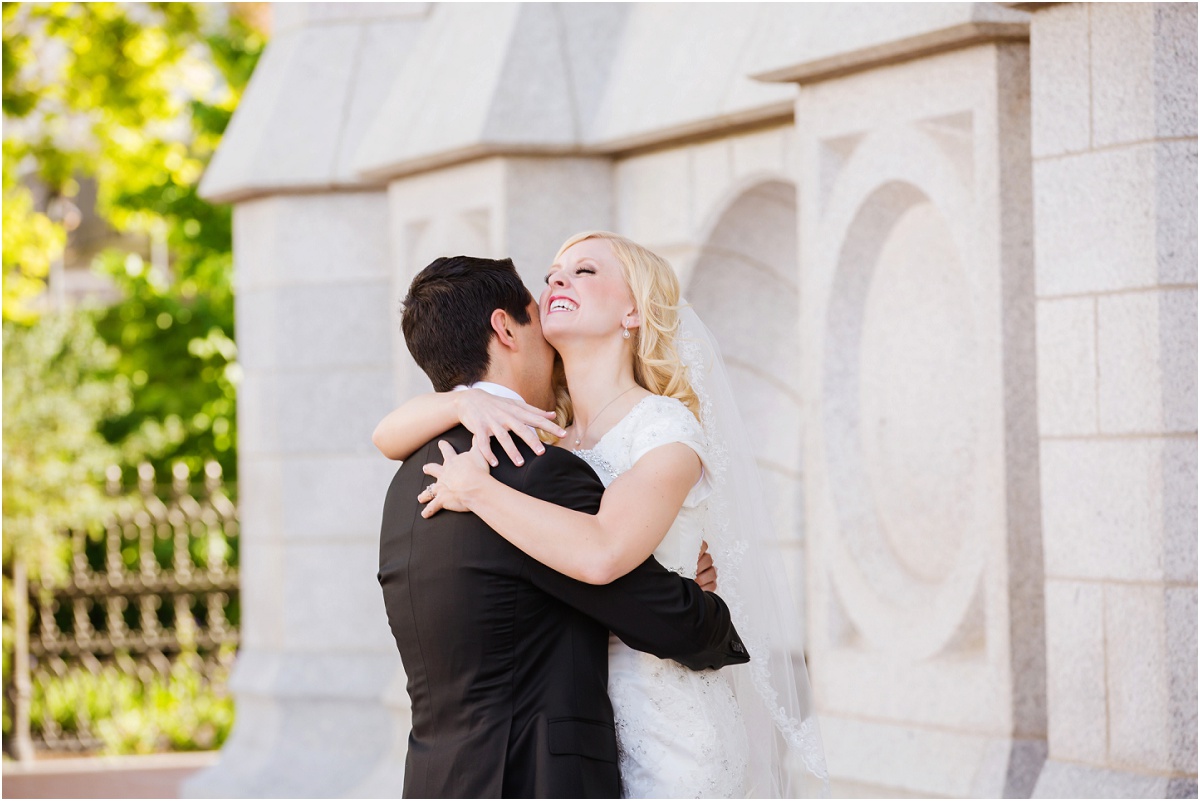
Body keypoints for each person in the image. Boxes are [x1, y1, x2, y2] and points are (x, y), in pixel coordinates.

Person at [374, 234, 829, 797]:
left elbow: (601, 554)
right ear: (508, 328)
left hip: (660, 730)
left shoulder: (657, 428)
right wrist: (461, 407)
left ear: (634, 309)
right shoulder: (539, 452)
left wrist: (476, 477)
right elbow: (605, 570)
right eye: (553, 273)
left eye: (584, 270)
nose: (558, 280)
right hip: (566, 749)